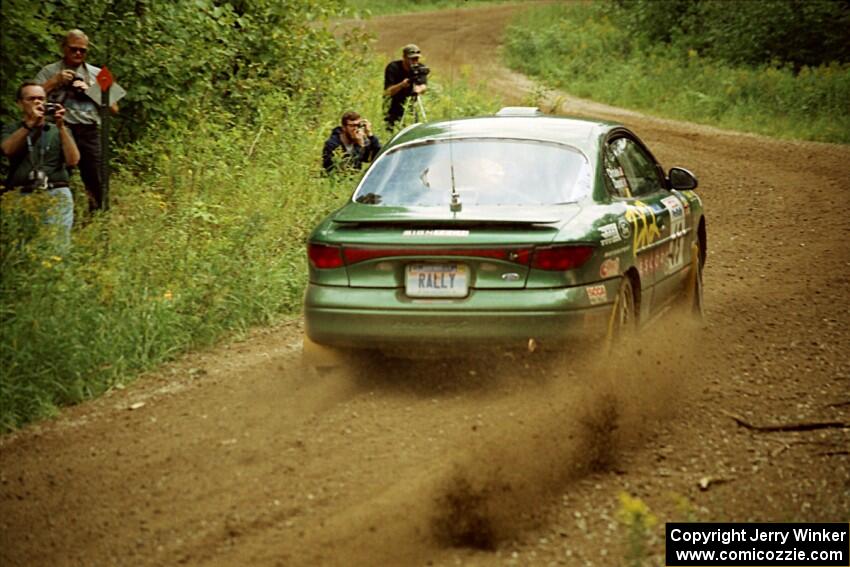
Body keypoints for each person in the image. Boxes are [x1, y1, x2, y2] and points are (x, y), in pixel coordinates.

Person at [36, 29, 117, 213]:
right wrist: (54, 81)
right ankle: (54, 215)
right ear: (63, 48)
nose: (78, 53)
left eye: (83, 50)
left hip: (88, 131)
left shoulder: (100, 73)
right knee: (56, 176)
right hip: (59, 129)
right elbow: (33, 98)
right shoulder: (49, 71)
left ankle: (99, 217)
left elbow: (114, 108)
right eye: (73, 49)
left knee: (95, 177)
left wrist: (91, 91)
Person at [2, 82, 80, 245]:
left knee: (57, 245)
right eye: (31, 99)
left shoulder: (58, 130)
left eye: (41, 99)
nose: (38, 103)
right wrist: (29, 124)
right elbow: (7, 150)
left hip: (55, 192)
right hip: (21, 194)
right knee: (22, 245)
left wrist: (61, 127)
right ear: (20, 103)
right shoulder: (13, 129)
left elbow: (73, 160)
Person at [383, 44, 428, 129]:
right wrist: (402, 85)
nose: (415, 61)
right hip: (393, 107)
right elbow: (387, 92)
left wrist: (419, 89)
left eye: (416, 59)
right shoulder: (393, 67)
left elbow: (423, 85)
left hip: (410, 106)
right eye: (412, 59)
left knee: (414, 129)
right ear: (404, 57)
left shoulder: (420, 68)